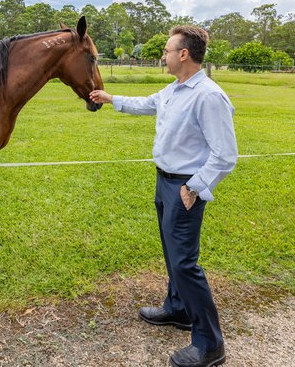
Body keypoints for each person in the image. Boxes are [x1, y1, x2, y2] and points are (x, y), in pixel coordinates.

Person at [89, 25, 237, 367]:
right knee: (172, 254)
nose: (164, 56)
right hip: (164, 181)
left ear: (183, 54)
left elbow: (225, 154)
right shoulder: (175, 90)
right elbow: (147, 104)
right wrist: (111, 99)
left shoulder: (208, 96)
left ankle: (209, 344)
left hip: (185, 186)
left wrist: (194, 187)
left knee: (185, 262)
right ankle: (178, 308)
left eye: (168, 51)